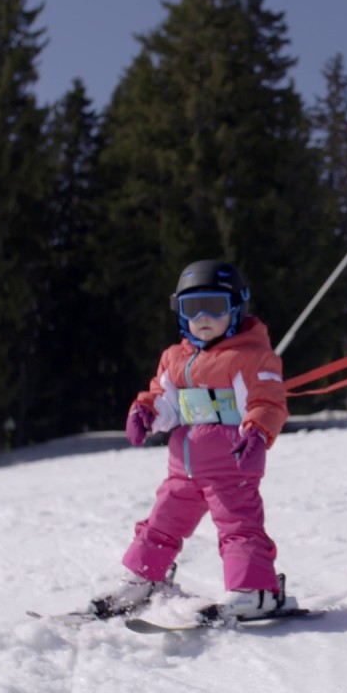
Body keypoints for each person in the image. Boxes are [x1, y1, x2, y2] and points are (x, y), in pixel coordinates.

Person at [87, 259, 296, 621]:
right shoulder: (174, 358)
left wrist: (258, 433)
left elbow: (267, 401)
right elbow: (163, 400)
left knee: (238, 527)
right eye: (190, 307)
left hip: (231, 464)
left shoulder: (250, 357)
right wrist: (145, 413)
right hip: (182, 467)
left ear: (235, 307)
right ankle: (144, 579)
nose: (202, 316)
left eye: (213, 306)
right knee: (160, 524)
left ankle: (254, 591)